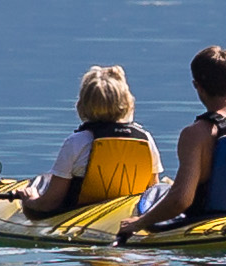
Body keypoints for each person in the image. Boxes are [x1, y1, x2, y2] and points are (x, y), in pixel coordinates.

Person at [132, 43, 226, 231]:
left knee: (158, 191)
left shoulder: (196, 134)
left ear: (197, 86)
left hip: (202, 226)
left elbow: (180, 201)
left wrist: (138, 223)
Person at [18, 63, 156, 219]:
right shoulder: (146, 139)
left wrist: (31, 200)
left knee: (40, 182)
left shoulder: (76, 143)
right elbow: (152, 192)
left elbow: (51, 202)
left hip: (77, 217)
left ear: (83, 105)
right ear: (127, 102)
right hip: (126, 217)